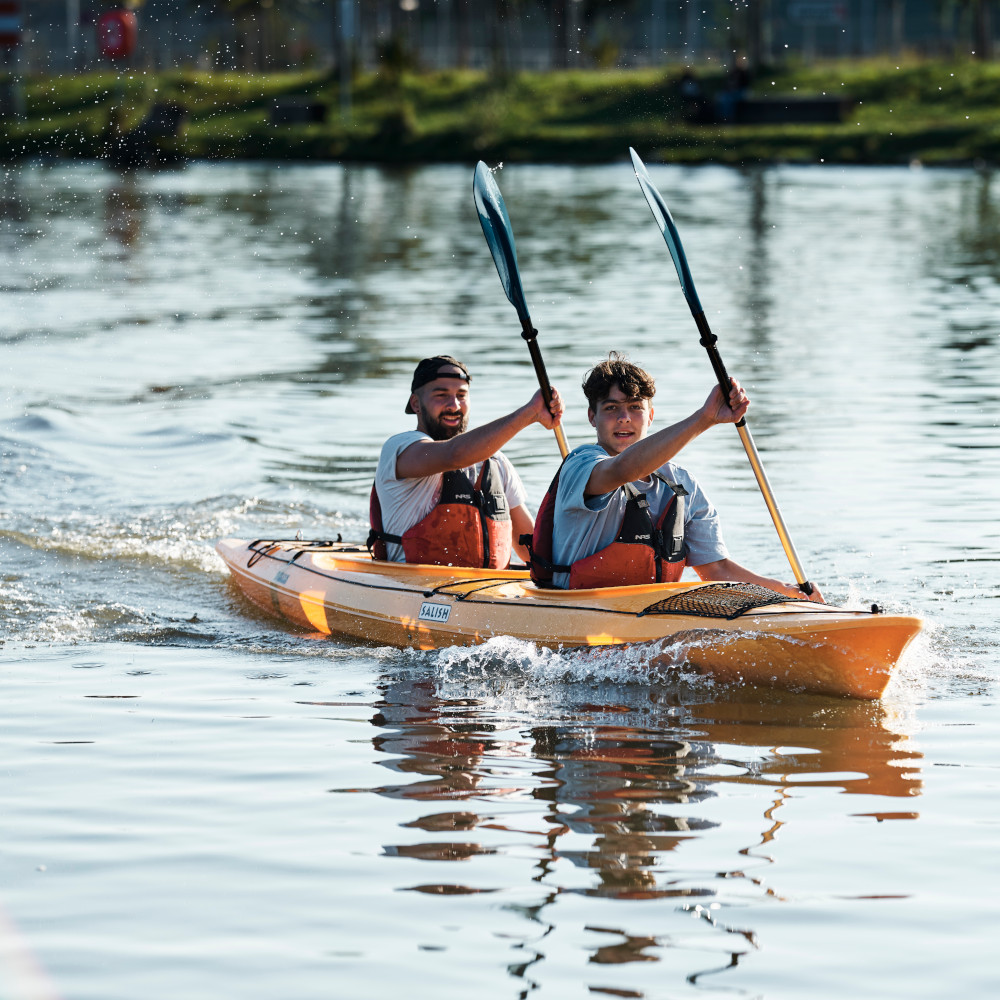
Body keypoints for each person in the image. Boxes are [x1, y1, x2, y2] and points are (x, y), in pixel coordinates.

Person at [528, 353, 822, 601]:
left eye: (634, 408)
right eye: (611, 408)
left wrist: (786, 593)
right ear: (592, 417)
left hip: (642, 617)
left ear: (651, 416)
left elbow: (716, 570)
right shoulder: (580, 465)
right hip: (572, 611)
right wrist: (705, 418)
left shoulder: (682, 484)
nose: (624, 418)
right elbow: (623, 470)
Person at [368, 355, 563, 569]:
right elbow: (454, 455)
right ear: (416, 403)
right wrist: (530, 413)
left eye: (461, 395)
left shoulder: (496, 461)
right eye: (441, 395)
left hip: (489, 589)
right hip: (413, 585)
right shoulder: (401, 448)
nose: (454, 405)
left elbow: (529, 545)